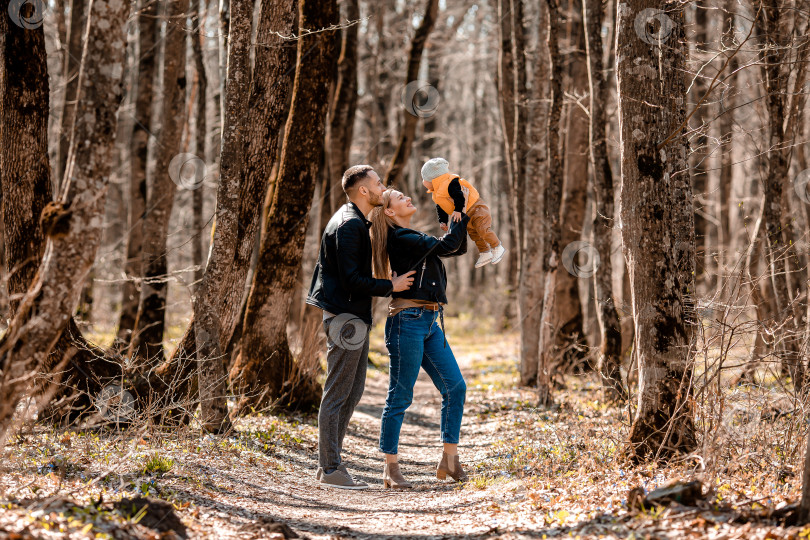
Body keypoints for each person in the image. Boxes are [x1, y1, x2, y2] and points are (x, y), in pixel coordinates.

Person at [307, 165, 416, 489]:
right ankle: (330, 469)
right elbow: (353, 279)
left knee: (351, 392)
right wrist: (391, 285)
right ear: (364, 191)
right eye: (379, 183)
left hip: (351, 317)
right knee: (338, 393)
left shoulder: (353, 219)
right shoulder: (350, 224)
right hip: (345, 319)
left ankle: (330, 463)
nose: (384, 188)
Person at [369, 188, 470, 489]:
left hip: (429, 321)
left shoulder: (412, 238)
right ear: (389, 211)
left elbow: (455, 248)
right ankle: (390, 468)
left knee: (455, 387)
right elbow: (450, 244)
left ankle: (449, 461)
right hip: (407, 322)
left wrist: (455, 222)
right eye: (400, 198)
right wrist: (459, 209)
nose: (408, 198)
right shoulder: (401, 238)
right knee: (400, 395)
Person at [421, 157, 506, 269]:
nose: (423, 182)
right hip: (466, 214)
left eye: (424, 179)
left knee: (483, 229)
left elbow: (460, 196)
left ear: (434, 179)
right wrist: (443, 221)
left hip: (476, 209)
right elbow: (441, 207)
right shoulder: (437, 193)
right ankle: (485, 252)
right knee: (474, 234)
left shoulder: (451, 182)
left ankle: (497, 246)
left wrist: (457, 210)